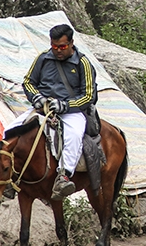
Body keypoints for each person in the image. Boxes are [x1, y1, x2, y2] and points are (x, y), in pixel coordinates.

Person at [23, 24, 97, 201]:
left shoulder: (83, 63)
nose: (58, 51)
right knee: (12, 130)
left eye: (62, 47)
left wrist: (65, 105)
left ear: (71, 43)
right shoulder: (43, 58)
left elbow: (89, 96)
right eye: (54, 46)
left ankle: (63, 176)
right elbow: (28, 82)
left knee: (73, 135)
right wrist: (37, 98)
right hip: (43, 108)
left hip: (72, 111)